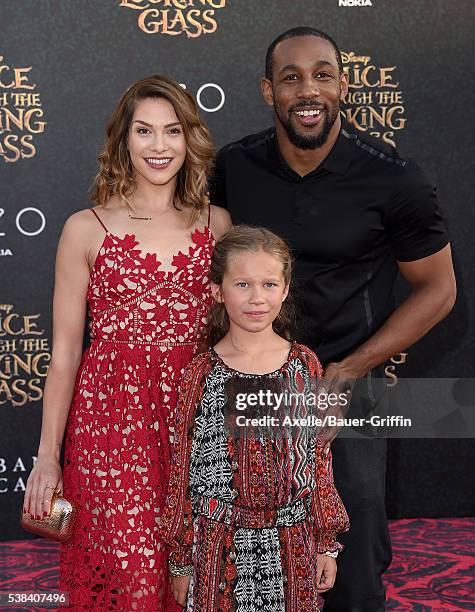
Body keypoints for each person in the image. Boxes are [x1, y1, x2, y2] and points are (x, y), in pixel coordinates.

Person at [210, 27, 457, 612]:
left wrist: (352, 369)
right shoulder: (233, 167)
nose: (308, 89)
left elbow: (439, 289)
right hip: (250, 383)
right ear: (269, 92)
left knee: (351, 561)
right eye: (291, 77)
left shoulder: (394, 177)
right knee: (244, 564)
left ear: (343, 85)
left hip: (347, 384)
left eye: (322, 74)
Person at [23, 74, 231, 610]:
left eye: (172, 131)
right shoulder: (84, 229)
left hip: (198, 420)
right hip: (111, 426)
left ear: (190, 140)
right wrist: (48, 457)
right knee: (133, 582)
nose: (159, 146)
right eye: (144, 131)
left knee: (200, 578)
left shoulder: (218, 224)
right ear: (123, 140)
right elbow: (65, 354)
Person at [159, 225, 349, 611]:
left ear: (284, 288)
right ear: (217, 290)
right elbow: (183, 470)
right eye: (242, 284)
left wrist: (326, 542)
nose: (256, 298)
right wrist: (180, 558)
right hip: (218, 543)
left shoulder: (304, 365)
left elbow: (317, 460)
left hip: (292, 542)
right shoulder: (201, 372)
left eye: (267, 284)